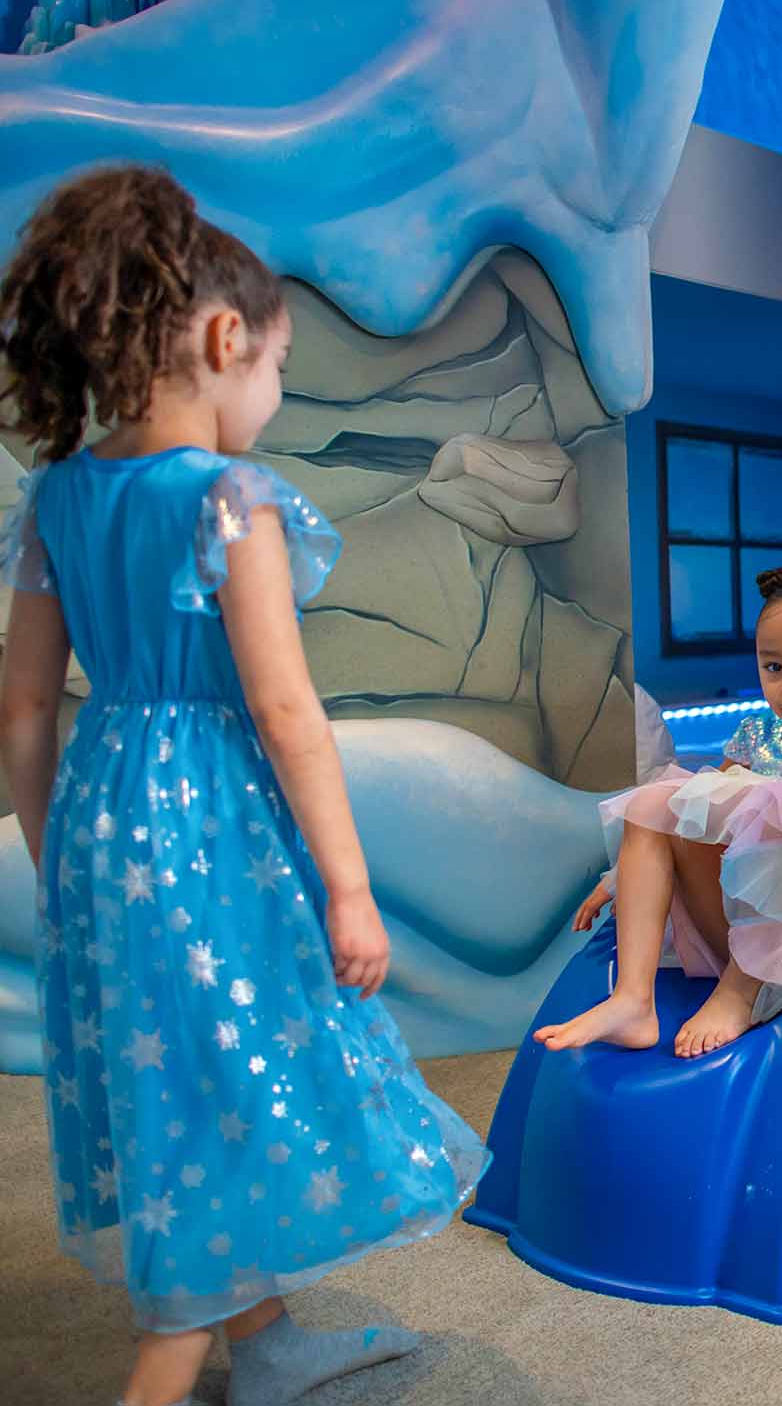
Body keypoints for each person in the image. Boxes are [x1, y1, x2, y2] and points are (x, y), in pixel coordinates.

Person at [0, 166, 487, 1406]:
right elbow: (284, 712)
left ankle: (264, 1341)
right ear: (226, 341)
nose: (271, 397)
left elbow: (20, 709)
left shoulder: (59, 494)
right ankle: (175, 1354)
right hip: (208, 817)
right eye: (274, 368)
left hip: (102, 808)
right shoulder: (230, 495)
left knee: (182, 1061)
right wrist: (351, 889)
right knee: (238, 1052)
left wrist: (58, 855)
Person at [536, 561, 782, 1058]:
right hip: (736, 927)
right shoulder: (755, 734)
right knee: (659, 801)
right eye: (774, 667)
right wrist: (620, 877)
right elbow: (693, 816)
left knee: (779, 810)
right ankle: (633, 999)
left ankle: (739, 995)